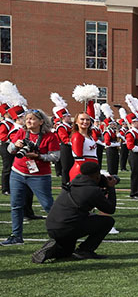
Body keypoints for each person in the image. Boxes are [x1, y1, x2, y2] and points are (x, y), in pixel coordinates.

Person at [31, 160, 117, 262]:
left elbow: (87, 189)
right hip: (68, 226)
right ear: (97, 175)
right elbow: (110, 209)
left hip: (52, 225)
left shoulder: (74, 182)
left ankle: (50, 250)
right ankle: (85, 250)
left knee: (67, 252)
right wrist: (111, 188)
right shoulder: (93, 190)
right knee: (107, 221)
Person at [2, 108, 61, 246]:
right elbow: (10, 150)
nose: (28, 121)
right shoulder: (21, 132)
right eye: (27, 118)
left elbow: (56, 156)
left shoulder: (50, 136)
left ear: (41, 121)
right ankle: (16, 236)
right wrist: (15, 145)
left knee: (48, 205)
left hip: (39, 175)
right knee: (16, 205)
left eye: (32, 118)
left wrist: (39, 156)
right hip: (18, 172)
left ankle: (61, 233)